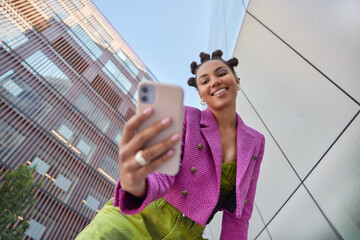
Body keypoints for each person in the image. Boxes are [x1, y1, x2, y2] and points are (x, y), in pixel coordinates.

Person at [75, 50, 265, 240]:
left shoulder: (256, 142)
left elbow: (240, 213)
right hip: (136, 218)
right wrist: (137, 184)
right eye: (205, 81)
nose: (214, 81)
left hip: (188, 234)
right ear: (201, 95)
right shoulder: (186, 117)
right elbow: (162, 173)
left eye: (221, 73)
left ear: (236, 81)